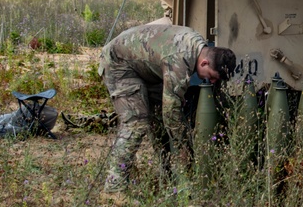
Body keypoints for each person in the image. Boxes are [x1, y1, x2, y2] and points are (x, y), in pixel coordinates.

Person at [98, 23, 236, 192]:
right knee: (136, 122)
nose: (212, 82)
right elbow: (171, 112)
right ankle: (114, 187)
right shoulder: (180, 61)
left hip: (145, 67)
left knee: (158, 119)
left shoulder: (199, 48)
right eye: (212, 77)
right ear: (205, 63)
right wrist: (184, 145)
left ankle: (168, 174)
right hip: (119, 64)